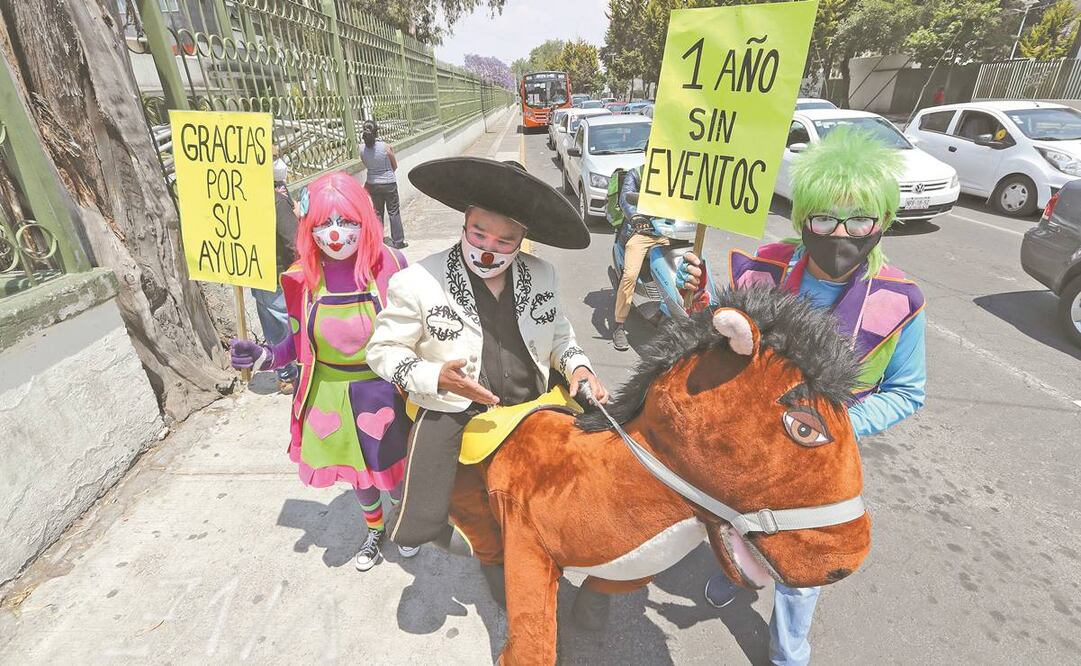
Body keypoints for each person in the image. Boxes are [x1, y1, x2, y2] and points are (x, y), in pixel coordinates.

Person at [677, 127, 926, 666]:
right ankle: (738, 577)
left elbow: (908, 392)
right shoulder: (765, 267)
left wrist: (830, 430)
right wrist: (697, 296)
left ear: (880, 222)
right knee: (729, 520)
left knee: (802, 555)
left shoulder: (898, 299)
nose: (841, 233)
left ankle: (789, 652)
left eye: (859, 218)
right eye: (825, 218)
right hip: (749, 443)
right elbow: (722, 340)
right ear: (803, 218)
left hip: (819, 459)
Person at [366, 156, 610, 601]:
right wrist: (435, 375)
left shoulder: (543, 275)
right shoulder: (417, 281)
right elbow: (381, 351)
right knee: (451, 510)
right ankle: (477, 558)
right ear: (464, 222)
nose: (488, 248)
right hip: (459, 412)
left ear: (523, 240)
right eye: (479, 233)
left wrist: (579, 366)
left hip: (532, 408)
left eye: (505, 239)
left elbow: (561, 337)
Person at [229, 172, 418, 572]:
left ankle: (405, 524)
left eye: (346, 221)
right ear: (308, 229)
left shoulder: (390, 266)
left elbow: (420, 329)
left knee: (392, 471)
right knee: (359, 478)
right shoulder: (305, 278)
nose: (335, 234)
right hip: (328, 393)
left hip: (381, 390)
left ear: (364, 220)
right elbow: (297, 345)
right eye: (323, 223)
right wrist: (263, 355)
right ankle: (375, 530)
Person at [250, 148, 300, 394]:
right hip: (277, 275)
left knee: (272, 327)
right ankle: (293, 373)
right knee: (286, 327)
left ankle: (286, 374)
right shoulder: (275, 200)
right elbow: (293, 241)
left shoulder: (243, 200)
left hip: (255, 273)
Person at [611, 166, 668, 351]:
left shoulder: (675, 174)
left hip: (667, 232)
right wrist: (635, 216)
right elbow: (626, 198)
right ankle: (619, 325)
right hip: (641, 232)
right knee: (630, 276)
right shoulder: (637, 173)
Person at [360, 120, 407, 250]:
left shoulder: (361, 149)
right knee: (393, 212)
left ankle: (378, 241)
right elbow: (394, 165)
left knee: (377, 213)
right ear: (376, 132)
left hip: (372, 184)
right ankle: (398, 241)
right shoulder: (386, 147)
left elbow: (366, 164)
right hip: (389, 183)